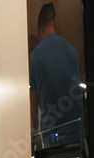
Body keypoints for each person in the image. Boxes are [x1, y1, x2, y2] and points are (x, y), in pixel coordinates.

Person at [29, 3, 83, 134]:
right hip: (78, 133)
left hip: (53, 137)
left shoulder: (35, 57)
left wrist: (33, 138)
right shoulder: (73, 51)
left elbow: (33, 108)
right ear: (54, 22)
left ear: (38, 29)